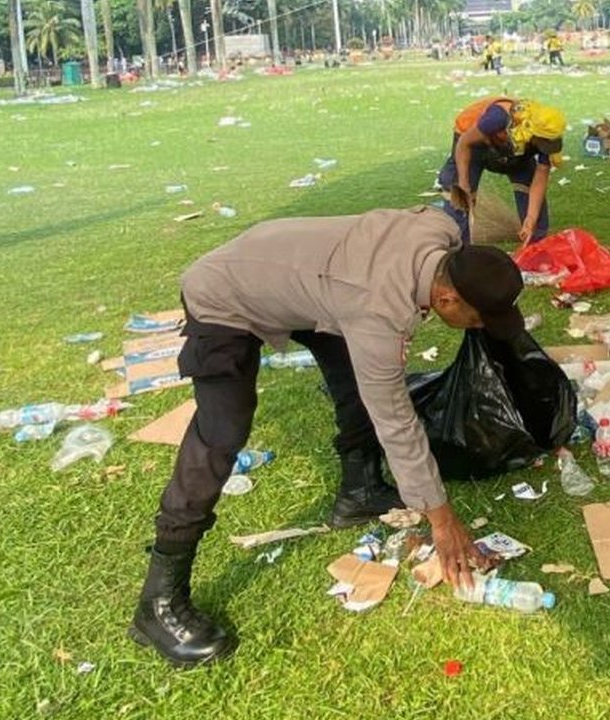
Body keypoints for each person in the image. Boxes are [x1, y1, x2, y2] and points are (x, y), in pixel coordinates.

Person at [129, 207, 524, 667]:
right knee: (222, 431)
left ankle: (359, 492)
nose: (478, 330)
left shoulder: (439, 234)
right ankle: (158, 600)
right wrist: (442, 520)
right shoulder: (377, 310)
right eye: (477, 320)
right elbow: (395, 421)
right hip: (226, 291)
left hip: (308, 280)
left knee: (356, 383)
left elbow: (443, 216)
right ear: (447, 299)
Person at [439, 97, 566, 245]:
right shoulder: (497, 118)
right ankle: (458, 253)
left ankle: (536, 250)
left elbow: (539, 180)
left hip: (514, 149)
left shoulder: (547, 137)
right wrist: (464, 183)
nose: (545, 148)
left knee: (533, 208)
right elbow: (464, 143)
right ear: (529, 130)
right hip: (473, 146)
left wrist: (530, 219)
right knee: (459, 200)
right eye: (542, 143)